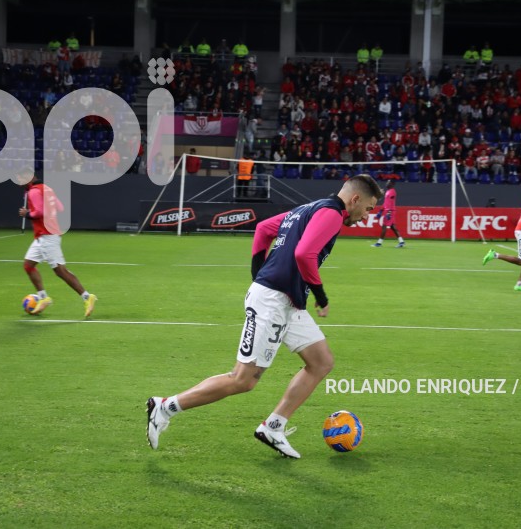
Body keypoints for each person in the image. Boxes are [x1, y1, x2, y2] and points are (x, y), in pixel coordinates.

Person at [146, 175, 383, 459]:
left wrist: (258, 274)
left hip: (287, 302)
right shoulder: (332, 213)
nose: (367, 215)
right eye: (369, 208)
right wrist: (321, 295)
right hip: (272, 302)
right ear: (355, 199)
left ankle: (273, 427)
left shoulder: (307, 209)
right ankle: (165, 406)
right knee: (242, 380)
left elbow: (263, 229)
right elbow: (304, 254)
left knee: (321, 362)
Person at [18, 173, 98, 317]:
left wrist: (27, 213)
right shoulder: (47, 189)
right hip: (44, 236)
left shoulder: (34, 192)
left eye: (20, 179)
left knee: (61, 271)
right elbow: (60, 207)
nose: (19, 183)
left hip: (47, 236)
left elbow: (39, 212)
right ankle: (43, 298)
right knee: (28, 266)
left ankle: (87, 297)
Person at [372, 180, 405, 248]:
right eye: (387, 182)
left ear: (392, 184)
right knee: (393, 227)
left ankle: (379, 243)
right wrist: (381, 211)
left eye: (388, 182)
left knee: (384, 227)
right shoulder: (387, 192)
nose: (386, 183)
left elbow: (391, 203)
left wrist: (389, 212)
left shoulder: (392, 192)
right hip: (388, 211)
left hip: (390, 211)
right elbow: (386, 203)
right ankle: (401, 242)